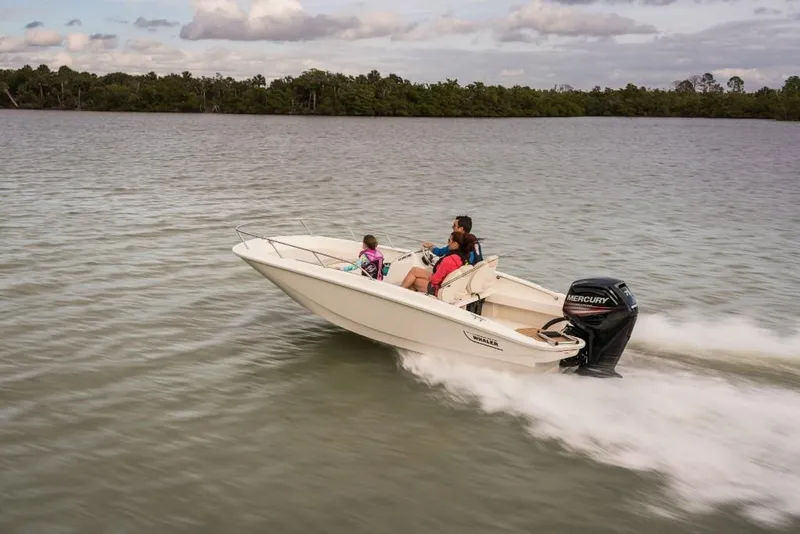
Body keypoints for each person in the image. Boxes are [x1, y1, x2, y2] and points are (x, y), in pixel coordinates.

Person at [402, 232, 476, 296]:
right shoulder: (464, 257)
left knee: (415, 280)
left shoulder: (449, 260)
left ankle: (401, 292)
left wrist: (426, 276)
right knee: (415, 270)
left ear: (455, 244)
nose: (448, 243)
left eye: (449, 240)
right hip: (448, 286)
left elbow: (435, 280)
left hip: (438, 288)